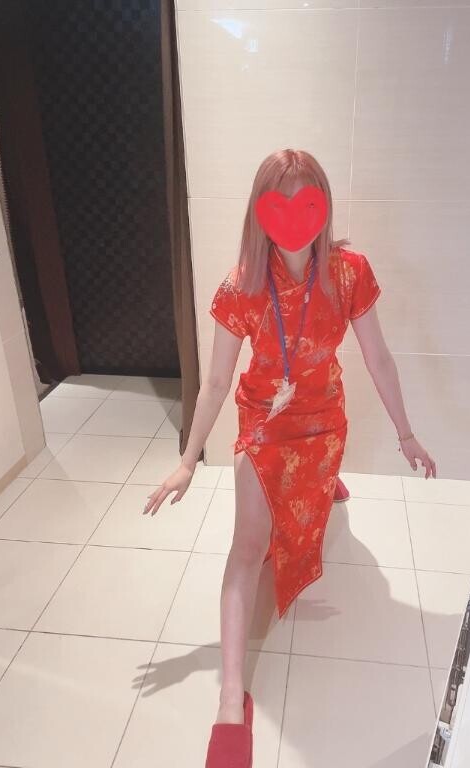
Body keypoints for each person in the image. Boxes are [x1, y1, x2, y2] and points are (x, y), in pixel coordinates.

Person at [142, 148, 436, 766]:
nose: (296, 221)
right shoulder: (241, 285)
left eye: (308, 204)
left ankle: (325, 485)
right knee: (249, 546)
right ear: (261, 212)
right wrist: (189, 460)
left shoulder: (349, 273)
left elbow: (379, 358)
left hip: (324, 420)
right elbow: (216, 383)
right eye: (281, 206)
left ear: (322, 208)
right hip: (265, 421)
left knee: (312, 500)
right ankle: (231, 701)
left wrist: (406, 434)